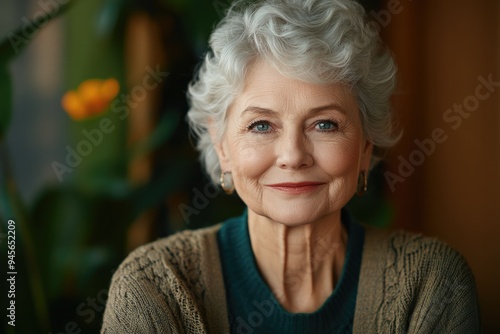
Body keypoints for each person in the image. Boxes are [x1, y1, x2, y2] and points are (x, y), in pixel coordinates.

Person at [101, 0, 480, 333]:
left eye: (324, 124)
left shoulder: (431, 282)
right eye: (261, 125)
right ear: (223, 147)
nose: (293, 155)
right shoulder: (155, 285)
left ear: (366, 147)